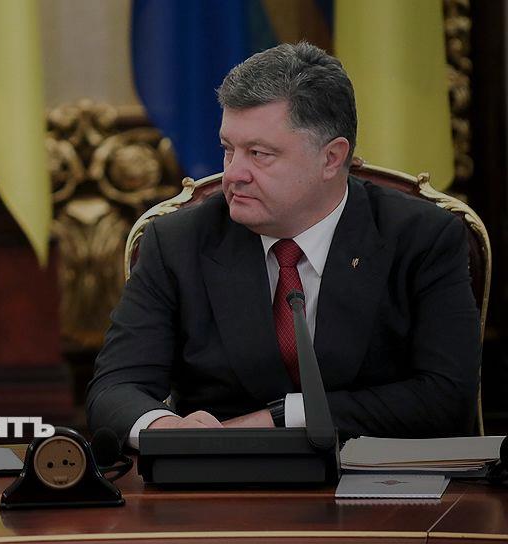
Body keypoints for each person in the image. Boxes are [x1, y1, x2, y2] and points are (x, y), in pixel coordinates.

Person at [87, 42, 481, 448]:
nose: (234, 174)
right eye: (228, 150)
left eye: (259, 154)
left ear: (331, 158)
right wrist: (168, 431)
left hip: (376, 479)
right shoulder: (178, 242)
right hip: (221, 478)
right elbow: (115, 389)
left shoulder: (421, 238)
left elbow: (447, 398)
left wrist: (282, 418)